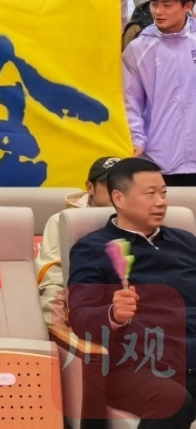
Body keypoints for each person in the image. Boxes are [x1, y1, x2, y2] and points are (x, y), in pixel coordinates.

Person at [67, 158, 196, 429]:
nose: (160, 202)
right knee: (172, 400)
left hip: (189, 354)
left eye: (163, 193)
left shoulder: (185, 242)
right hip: (136, 364)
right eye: (150, 194)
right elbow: (80, 317)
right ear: (119, 198)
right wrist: (113, 314)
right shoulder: (92, 248)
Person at [123, 0, 196, 185]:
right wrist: (136, 139)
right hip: (159, 158)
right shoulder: (138, 49)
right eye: (154, 4)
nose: (158, 11)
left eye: (167, 5)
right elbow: (131, 101)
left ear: (187, 6)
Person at [34, 156, 119, 325]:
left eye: (124, 185)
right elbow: (52, 278)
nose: (117, 191)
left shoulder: (138, 220)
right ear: (90, 187)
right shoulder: (61, 221)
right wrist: (58, 327)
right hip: (78, 303)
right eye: (109, 184)